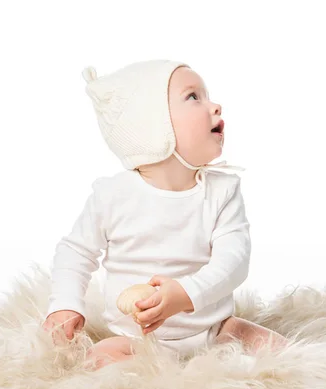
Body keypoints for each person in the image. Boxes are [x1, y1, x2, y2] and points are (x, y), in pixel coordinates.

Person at [42, 60, 288, 370]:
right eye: (193, 97)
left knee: (282, 353)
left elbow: (234, 261)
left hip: (214, 330)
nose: (215, 106)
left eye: (206, 95)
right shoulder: (113, 195)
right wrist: (65, 305)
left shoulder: (222, 190)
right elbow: (75, 252)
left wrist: (186, 294)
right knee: (99, 359)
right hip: (137, 339)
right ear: (152, 125)